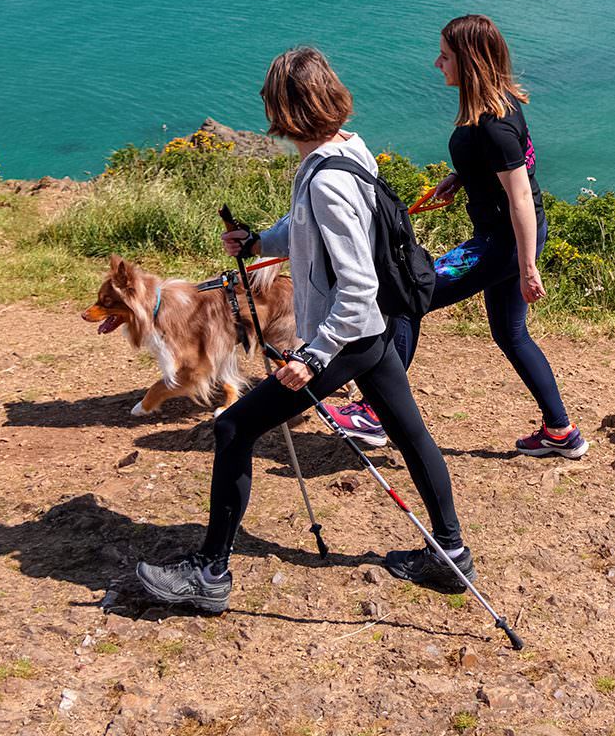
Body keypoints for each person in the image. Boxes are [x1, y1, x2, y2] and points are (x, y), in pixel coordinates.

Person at [134, 46, 473, 613]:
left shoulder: (325, 181)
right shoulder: (344, 149)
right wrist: (261, 243)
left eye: (271, 99)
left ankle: (210, 573)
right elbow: (309, 228)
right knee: (409, 432)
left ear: (285, 107)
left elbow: (358, 283)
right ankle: (452, 553)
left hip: (349, 334)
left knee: (235, 429)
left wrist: (314, 357)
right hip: (375, 331)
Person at [392, 13, 586, 459]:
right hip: (514, 238)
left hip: (502, 245)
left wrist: (526, 267)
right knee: (512, 335)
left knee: (407, 297)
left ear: (470, 61)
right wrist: (462, 177)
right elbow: (505, 171)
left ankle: (375, 413)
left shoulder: (492, 124)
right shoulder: (497, 107)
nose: (437, 63)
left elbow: (518, 196)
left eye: (444, 56)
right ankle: (562, 432)